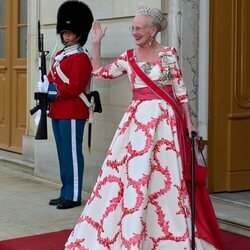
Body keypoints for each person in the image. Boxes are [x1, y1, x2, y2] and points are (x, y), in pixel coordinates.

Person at [65, 6, 224, 249]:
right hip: (138, 124)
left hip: (165, 125)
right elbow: (99, 72)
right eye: (133, 27)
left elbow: (180, 91)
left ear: (153, 30)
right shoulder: (128, 57)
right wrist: (96, 43)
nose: (134, 32)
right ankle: (133, 229)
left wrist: (189, 123)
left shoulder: (169, 54)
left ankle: (165, 232)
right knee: (136, 175)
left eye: (139, 28)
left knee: (165, 177)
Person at [37, 0, 93, 210]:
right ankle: (65, 191)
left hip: (72, 111)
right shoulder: (60, 56)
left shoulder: (80, 58)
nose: (67, 36)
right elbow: (51, 78)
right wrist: (44, 86)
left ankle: (74, 194)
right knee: (62, 153)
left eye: (71, 33)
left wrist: (52, 91)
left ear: (79, 34)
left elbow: (74, 87)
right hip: (58, 110)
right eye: (65, 33)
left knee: (72, 154)